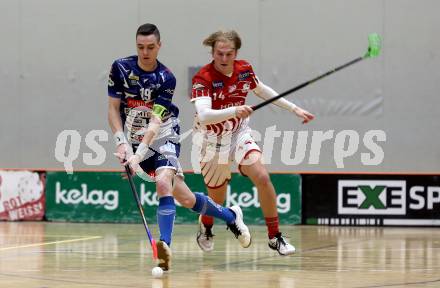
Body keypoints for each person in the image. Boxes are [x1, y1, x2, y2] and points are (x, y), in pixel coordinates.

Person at [108, 24, 251, 271]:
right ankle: (231, 216)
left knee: (163, 183)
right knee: (185, 198)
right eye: (141, 47)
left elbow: (156, 121)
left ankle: (164, 253)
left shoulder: (166, 78)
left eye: (151, 47)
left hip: (163, 132)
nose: (145, 52)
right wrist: (122, 144)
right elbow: (113, 109)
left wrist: (138, 155)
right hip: (132, 136)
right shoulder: (120, 68)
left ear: (159, 46)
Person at [191, 30, 315, 256]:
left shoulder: (244, 70)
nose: (224, 59)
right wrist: (235, 110)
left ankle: (275, 237)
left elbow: (261, 90)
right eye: (220, 53)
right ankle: (206, 226)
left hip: (239, 134)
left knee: (262, 176)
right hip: (212, 141)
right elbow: (204, 114)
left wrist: (294, 109)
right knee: (216, 200)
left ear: (236, 53)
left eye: (229, 54)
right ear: (213, 52)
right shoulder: (203, 78)